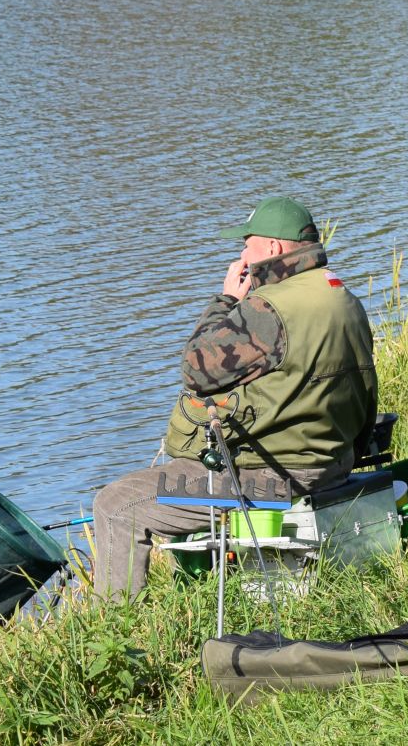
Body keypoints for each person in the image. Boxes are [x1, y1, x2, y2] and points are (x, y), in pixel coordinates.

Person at [89, 196, 377, 597]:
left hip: (279, 478)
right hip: (333, 462)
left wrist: (226, 300)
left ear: (273, 248)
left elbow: (196, 370)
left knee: (116, 504)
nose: (242, 254)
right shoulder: (341, 296)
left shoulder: (269, 308)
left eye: (247, 244)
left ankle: (113, 631)